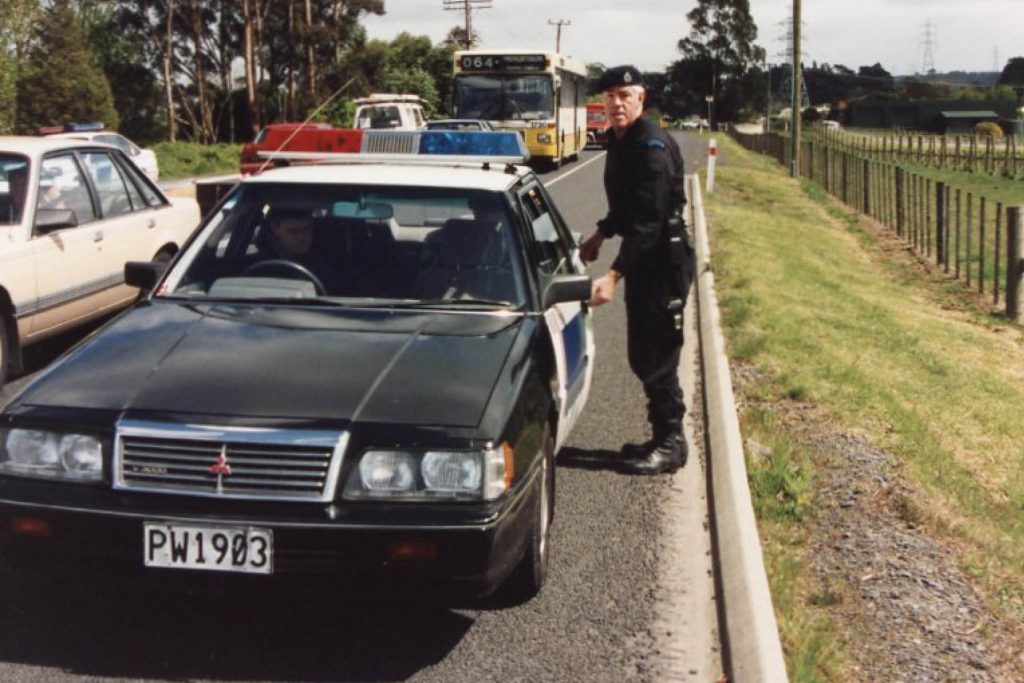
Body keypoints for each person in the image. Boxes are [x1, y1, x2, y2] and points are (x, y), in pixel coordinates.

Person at [579, 65, 688, 475]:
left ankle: (671, 445)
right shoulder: (619, 139)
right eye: (610, 96)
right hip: (646, 261)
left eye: (625, 95)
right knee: (643, 351)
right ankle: (660, 436)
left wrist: (612, 274)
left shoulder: (652, 146)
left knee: (658, 352)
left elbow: (649, 222)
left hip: (663, 262)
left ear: (641, 99)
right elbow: (626, 208)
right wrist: (601, 234)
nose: (616, 103)